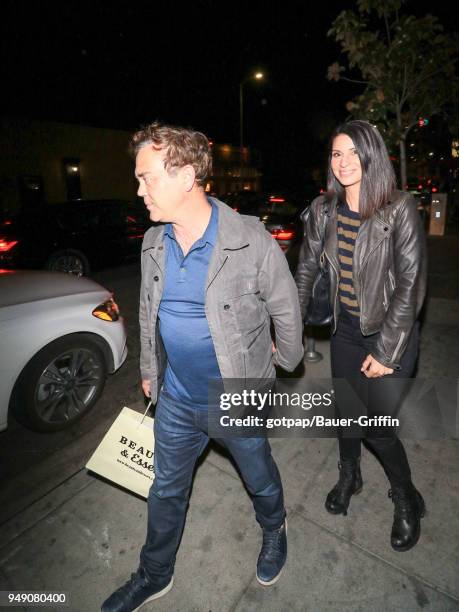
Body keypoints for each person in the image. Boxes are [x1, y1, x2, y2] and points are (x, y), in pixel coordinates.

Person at [101, 122, 304, 611]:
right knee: (165, 489)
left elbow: (285, 305)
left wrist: (287, 358)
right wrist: (150, 369)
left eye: (147, 177)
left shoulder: (248, 238)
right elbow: (149, 315)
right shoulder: (153, 242)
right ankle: (154, 573)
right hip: (175, 396)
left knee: (257, 475)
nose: (139, 189)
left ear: (187, 174)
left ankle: (274, 529)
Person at [295, 120, 427, 552]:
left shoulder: (398, 207)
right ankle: (349, 475)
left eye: (353, 152)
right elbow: (307, 270)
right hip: (346, 331)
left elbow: (411, 284)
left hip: (393, 335)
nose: (344, 161)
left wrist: (387, 351)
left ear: (371, 155)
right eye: (336, 153)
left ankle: (405, 495)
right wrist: (291, 329)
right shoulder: (322, 210)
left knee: (376, 427)